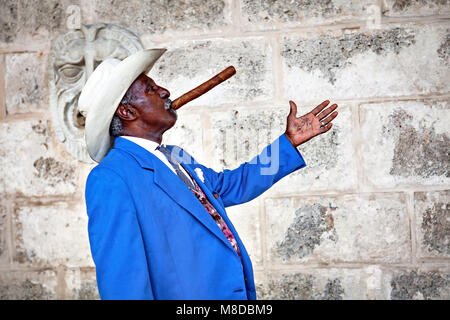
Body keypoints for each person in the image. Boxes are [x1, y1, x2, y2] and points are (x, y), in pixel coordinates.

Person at [78, 49, 339, 300]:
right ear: (128, 112)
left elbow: (233, 185)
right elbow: (122, 283)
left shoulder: (175, 156)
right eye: (151, 89)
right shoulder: (111, 177)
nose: (165, 91)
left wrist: (289, 143)